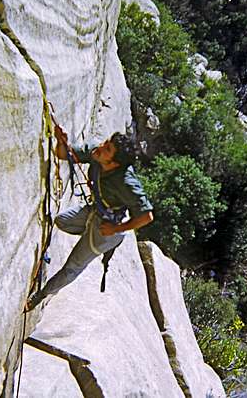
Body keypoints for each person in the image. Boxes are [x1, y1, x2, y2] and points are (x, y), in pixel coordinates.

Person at [25, 125, 154, 311]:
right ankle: (86, 237)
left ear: (115, 163)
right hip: (94, 212)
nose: (101, 146)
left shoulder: (126, 182)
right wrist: (62, 141)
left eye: (107, 149)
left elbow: (147, 216)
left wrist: (116, 230)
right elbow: (63, 154)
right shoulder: (96, 153)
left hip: (107, 229)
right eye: (106, 142)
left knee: (73, 266)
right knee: (62, 221)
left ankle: (40, 296)